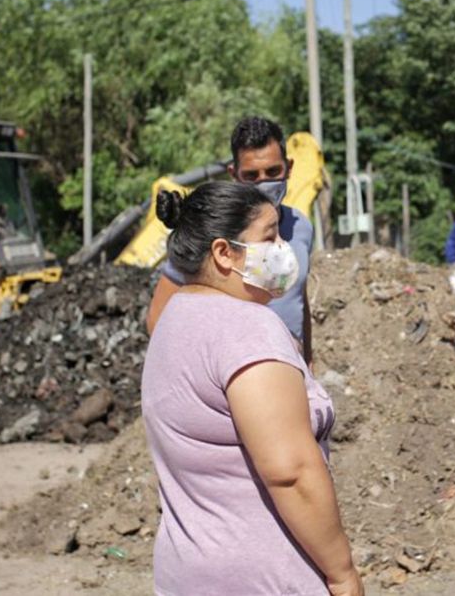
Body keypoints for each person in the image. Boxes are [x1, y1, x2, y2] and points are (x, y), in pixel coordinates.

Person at [142, 181, 362, 596]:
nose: (283, 248)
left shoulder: (174, 321)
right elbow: (291, 472)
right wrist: (342, 572)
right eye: (269, 236)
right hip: (263, 577)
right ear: (224, 253)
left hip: (187, 573)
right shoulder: (247, 328)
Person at [148, 116, 315, 363]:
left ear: (288, 168)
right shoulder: (210, 232)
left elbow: (299, 299)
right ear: (233, 174)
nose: (263, 182)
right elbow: (158, 319)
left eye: (272, 171)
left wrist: (308, 360)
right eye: (251, 175)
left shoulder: (302, 227)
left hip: (292, 370)